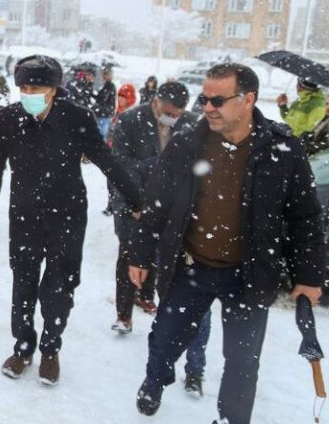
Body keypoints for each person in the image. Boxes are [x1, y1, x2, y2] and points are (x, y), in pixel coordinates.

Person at [130, 63, 324, 423]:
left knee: (242, 361)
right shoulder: (189, 143)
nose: (207, 107)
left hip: (249, 274)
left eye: (218, 100)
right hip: (191, 267)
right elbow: (156, 200)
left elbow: (305, 218)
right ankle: (155, 380)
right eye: (204, 98)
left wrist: (310, 276)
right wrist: (140, 254)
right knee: (164, 340)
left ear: (248, 99)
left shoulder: (282, 149)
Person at [0, 55, 144, 386]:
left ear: (53, 89)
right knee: (22, 284)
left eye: (35, 87)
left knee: (59, 287)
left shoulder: (76, 118)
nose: (28, 92)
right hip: (24, 215)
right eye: (22, 86)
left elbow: (105, 159)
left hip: (67, 215)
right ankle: (23, 348)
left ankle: (51, 348)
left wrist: (135, 199)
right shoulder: (9, 118)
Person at [109, 82, 212, 395]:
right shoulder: (129, 121)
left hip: (173, 212)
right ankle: (124, 314)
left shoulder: (194, 125)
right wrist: (138, 201)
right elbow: (121, 165)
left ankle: (149, 298)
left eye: (178, 113)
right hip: (134, 205)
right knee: (130, 258)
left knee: (162, 265)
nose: (173, 117)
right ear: (156, 103)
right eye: (169, 112)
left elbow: (198, 170)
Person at [93, 67, 116, 139]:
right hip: (103, 112)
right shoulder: (104, 85)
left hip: (105, 113)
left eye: (106, 74)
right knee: (100, 133)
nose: (104, 76)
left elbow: (104, 98)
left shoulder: (110, 86)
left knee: (102, 134)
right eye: (104, 74)